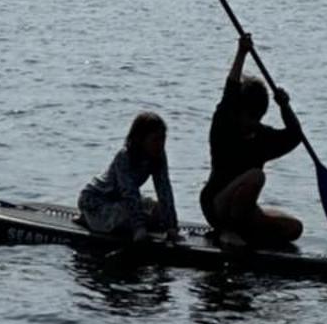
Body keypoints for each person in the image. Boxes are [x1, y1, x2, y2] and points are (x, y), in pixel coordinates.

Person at [200, 32, 304, 247]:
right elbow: (231, 89)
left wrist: (285, 106)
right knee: (256, 176)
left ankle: (246, 231)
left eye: (256, 117)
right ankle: (227, 231)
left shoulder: (263, 137)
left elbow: (295, 136)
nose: (251, 122)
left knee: (294, 228)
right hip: (216, 205)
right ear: (238, 111)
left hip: (244, 209)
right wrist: (241, 52)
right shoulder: (223, 126)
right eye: (247, 116)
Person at [77, 111, 180, 243]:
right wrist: (139, 228)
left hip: (120, 200)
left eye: (163, 139)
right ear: (141, 139)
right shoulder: (125, 156)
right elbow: (129, 193)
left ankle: (100, 221)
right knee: (131, 216)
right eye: (155, 139)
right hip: (96, 200)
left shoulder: (158, 155)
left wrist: (171, 227)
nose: (160, 144)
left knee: (157, 211)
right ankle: (89, 218)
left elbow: (164, 189)